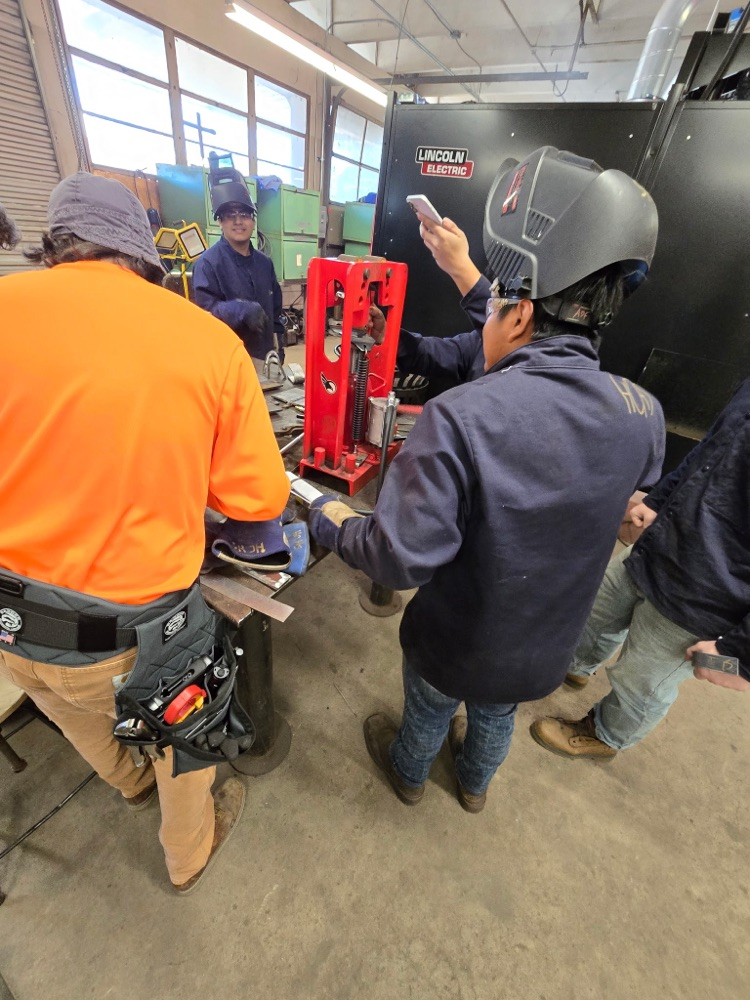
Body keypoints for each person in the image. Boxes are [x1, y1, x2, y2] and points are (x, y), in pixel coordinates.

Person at [308, 146, 665, 813]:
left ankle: (410, 775)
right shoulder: (643, 414)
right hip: (542, 647)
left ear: (521, 315)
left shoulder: (461, 418)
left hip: (455, 639)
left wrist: (330, 521)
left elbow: (398, 555)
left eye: (495, 304)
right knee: (495, 717)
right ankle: (473, 787)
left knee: (427, 710)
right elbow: (613, 493)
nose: (485, 317)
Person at [0, 172, 289, 893]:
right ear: (144, 256)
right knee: (185, 743)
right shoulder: (204, 339)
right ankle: (187, 852)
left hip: (11, 623)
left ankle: (126, 783)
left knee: (69, 711)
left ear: (51, 249)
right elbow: (255, 496)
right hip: (137, 635)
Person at [530, 378, 750, 760]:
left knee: (641, 682)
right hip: (660, 546)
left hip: (707, 599)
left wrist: (742, 659)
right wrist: (659, 499)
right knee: (594, 613)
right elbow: (711, 450)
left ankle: (606, 735)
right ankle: (577, 666)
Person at [192, 163, 284, 362]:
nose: (238, 221)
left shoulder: (264, 263)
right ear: (220, 222)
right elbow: (205, 315)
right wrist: (240, 309)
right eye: (230, 216)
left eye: (244, 215)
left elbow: (276, 311)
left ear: (253, 220)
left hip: (266, 356)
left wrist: (279, 348)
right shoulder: (208, 264)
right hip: (228, 359)